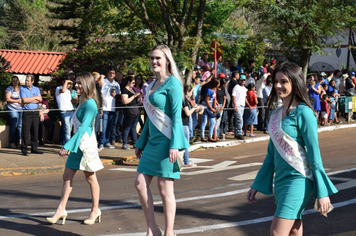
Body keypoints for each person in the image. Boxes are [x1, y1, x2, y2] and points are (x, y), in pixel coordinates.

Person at [247, 62, 338, 236]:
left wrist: (322, 192)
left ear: (295, 83)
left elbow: (314, 154)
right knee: (294, 230)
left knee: (277, 231)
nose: (278, 85)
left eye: (284, 81)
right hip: (281, 180)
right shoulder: (275, 114)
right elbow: (270, 156)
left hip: (299, 179)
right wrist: (256, 184)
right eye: (276, 81)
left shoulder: (304, 113)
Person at [134, 44, 189, 236]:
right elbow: (150, 118)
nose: (154, 61)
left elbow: (176, 115)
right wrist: (141, 142)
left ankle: (169, 232)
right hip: (152, 142)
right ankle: (152, 229)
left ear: (167, 60)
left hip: (167, 141)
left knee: (165, 189)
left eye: (158, 58)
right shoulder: (151, 85)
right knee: (140, 183)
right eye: (152, 58)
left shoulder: (173, 83)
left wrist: (175, 144)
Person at [47, 72, 103, 225]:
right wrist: (71, 145)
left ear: (88, 84)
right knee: (67, 176)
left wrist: (68, 146)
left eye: (80, 83)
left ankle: (95, 210)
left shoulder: (90, 104)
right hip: (77, 144)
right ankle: (61, 209)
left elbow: (83, 128)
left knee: (91, 179)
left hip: (85, 146)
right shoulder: (82, 101)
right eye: (76, 82)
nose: (76, 86)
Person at [20, 74, 43, 156]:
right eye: (26, 80)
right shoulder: (22, 89)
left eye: (28, 81)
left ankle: (34, 148)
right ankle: (24, 149)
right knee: (25, 132)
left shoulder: (36, 89)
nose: (26, 82)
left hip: (35, 112)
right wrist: (34, 98)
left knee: (35, 131)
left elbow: (40, 99)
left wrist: (29, 100)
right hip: (27, 112)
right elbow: (24, 100)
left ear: (32, 81)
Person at [99, 68, 120, 150]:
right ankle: (101, 142)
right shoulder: (104, 82)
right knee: (103, 126)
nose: (111, 74)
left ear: (115, 75)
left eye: (113, 73)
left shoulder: (116, 84)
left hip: (112, 108)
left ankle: (107, 142)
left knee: (110, 127)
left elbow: (119, 96)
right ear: (107, 73)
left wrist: (115, 95)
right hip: (104, 108)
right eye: (110, 73)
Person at [121, 76, 142, 150]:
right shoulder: (124, 90)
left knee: (134, 127)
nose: (134, 84)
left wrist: (139, 95)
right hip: (129, 111)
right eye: (132, 82)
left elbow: (136, 99)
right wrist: (134, 96)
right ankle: (124, 143)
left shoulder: (132, 89)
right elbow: (125, 101)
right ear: (128, 82)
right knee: (127, 127)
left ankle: (135, 143)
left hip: (135, 110)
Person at [55, 78, 75, 145]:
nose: (68, 85)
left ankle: (65, 143)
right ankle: (67, 145)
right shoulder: (58, 88)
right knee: (67, 129)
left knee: (69, 129)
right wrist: (66, 82)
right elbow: (62, 90)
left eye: (69, 84)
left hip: (71, 111)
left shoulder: (68, 91)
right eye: (67, 83)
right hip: (64, 112)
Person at [182, 85, 198, 167]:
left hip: (182, 124)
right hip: (184, 124)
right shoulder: (184, 100)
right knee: (185, 144)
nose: (192, 94)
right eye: (191, 92)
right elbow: (187, 113)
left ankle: (185, 160)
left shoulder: (183, 99)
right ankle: (186, 161)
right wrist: (194, 108)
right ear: (187, 92)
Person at [5, 76, 22, 148]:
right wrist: (17, 101)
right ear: (12, 82)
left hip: (21, 109)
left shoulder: (22, 89)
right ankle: (12, 142)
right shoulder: (9, 89)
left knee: (20, 126)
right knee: (14, 125)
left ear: (18, 81)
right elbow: (7, 99)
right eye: (13, 81)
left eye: (16, 81)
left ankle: (18, 141)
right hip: (12, 108)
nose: (15, 82)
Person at [232, 74, 247, 140]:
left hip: (242, 105)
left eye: (244, 80)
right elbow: (233, 96)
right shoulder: (236, 87)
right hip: (237, 105)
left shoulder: (244, 88)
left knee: (239, 120)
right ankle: (239, 133)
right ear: (239, 80)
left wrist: (248, 105)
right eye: (242, 80)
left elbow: (245, 98)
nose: (243, 81)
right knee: (239, 120)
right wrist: (235, 105)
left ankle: (237, 133)